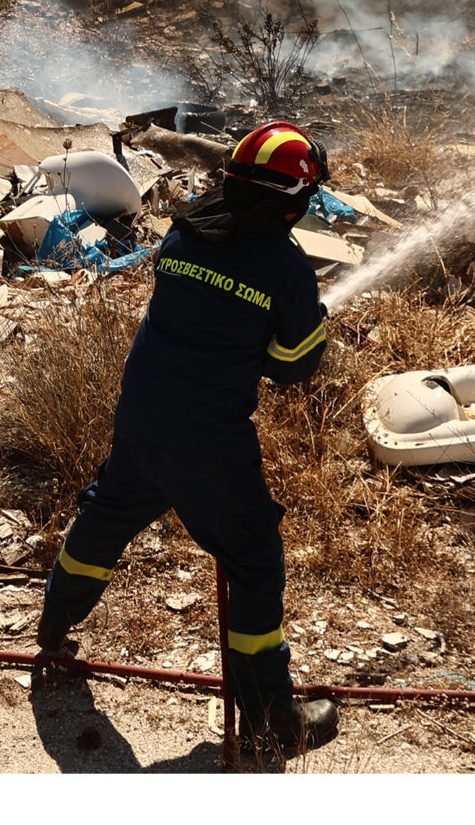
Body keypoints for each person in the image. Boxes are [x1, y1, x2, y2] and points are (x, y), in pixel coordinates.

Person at [35, 120, 340, 764]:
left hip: (142, 417)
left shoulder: (188, 226)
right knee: (253, 561)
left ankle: (56, 628)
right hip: (210, 446)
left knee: (106, 516)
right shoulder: (284, 267)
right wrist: (308, 325)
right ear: (292, 202)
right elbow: (291, 367)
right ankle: (272, 716)